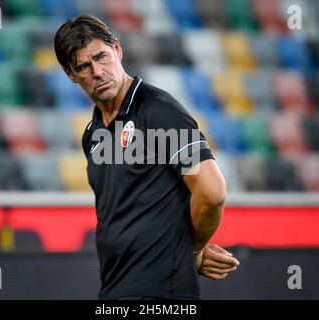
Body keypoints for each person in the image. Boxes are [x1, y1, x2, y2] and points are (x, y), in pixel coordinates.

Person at [54, 14, 240, 300]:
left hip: (162, 293)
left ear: (117, 49)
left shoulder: (159, 111)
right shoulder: (92, 133)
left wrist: (191, 251)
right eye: (83, 66)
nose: (97, 71)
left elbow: (212, 192)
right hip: (115, 290)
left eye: (102, 57)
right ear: (70, 74)